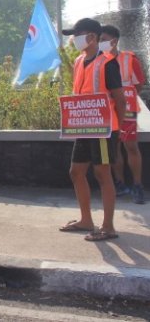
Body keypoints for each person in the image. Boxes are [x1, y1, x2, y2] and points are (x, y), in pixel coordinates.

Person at [59, 18, 125, 241]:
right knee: (76, 172)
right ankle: (86, 220)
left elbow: (119, 97)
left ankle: (108, 227)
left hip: (105, 129)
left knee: (102, 173)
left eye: (77, 35)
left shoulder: (108, 63)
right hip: (84, 127)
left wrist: (121, 126)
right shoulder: (79, 61)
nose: (73, 39)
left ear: (91, 38)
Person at [100, 25, 146, 204]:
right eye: (100, 39)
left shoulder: (129, 59)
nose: (101, 42)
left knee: (131, 147)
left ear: (114, 41)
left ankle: (137, 185)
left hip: (126, 108)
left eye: (104, 39)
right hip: (108, 110)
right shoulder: (99, 60)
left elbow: (139, 84)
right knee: (114, 148)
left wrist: (125, 97)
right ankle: (119, 183)